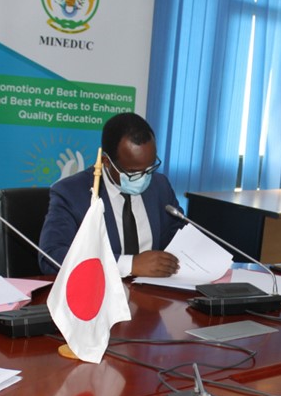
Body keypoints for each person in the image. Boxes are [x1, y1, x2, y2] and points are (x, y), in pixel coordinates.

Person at [39, 112, 183, 277]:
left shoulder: (160, 185)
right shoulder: (71, 193)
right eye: (133, 172)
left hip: (153, 289)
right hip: (98, 289)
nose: (144, 177)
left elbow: (179, 236)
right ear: (106, 162)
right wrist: (129, 265)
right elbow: (51, 256)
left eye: (150, 168)